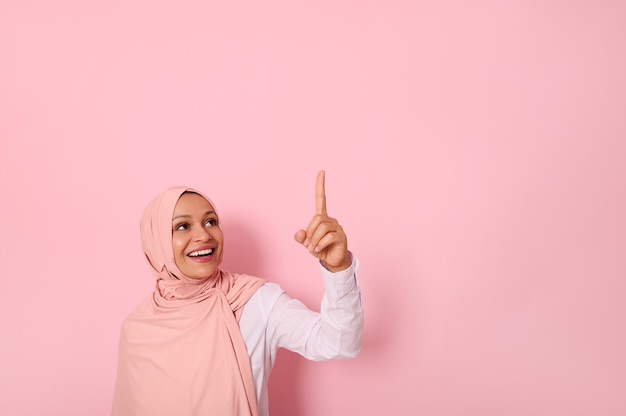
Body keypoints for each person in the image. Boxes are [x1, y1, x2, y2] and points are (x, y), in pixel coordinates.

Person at [111, 170, 363, 416]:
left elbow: (339, 344)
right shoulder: (137, 327)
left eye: (211, 221)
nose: (203, 235)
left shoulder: (256, 300)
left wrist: (337, 269)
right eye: (183, 226)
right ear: (156, 241)